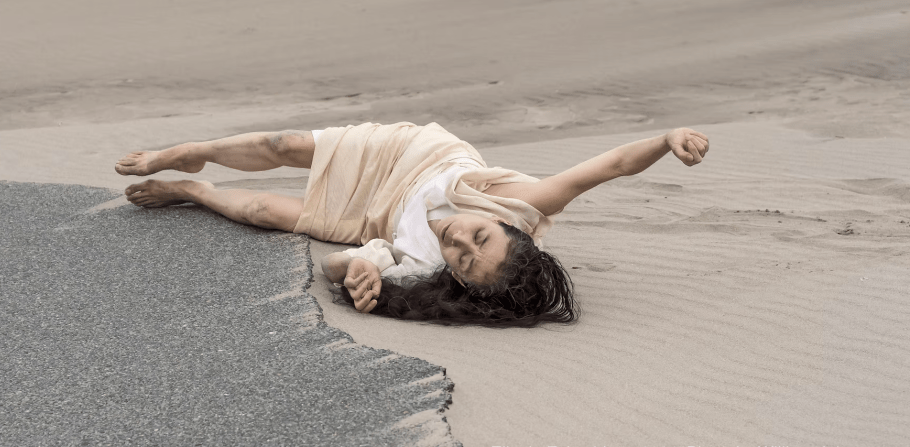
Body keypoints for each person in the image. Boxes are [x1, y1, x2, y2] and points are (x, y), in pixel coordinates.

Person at [115, 122, 709, 327]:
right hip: (409, 156)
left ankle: (193, 187)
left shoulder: (425, 263)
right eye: (479, 238)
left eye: (464, 260)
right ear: (511, 229)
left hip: (375, 213)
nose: (458, 241)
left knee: (261, 213)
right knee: (285, 144)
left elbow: (336, 263)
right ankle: (191, 151)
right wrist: (665, 139)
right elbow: (607, 168)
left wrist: (361, 273)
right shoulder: (519, 202)